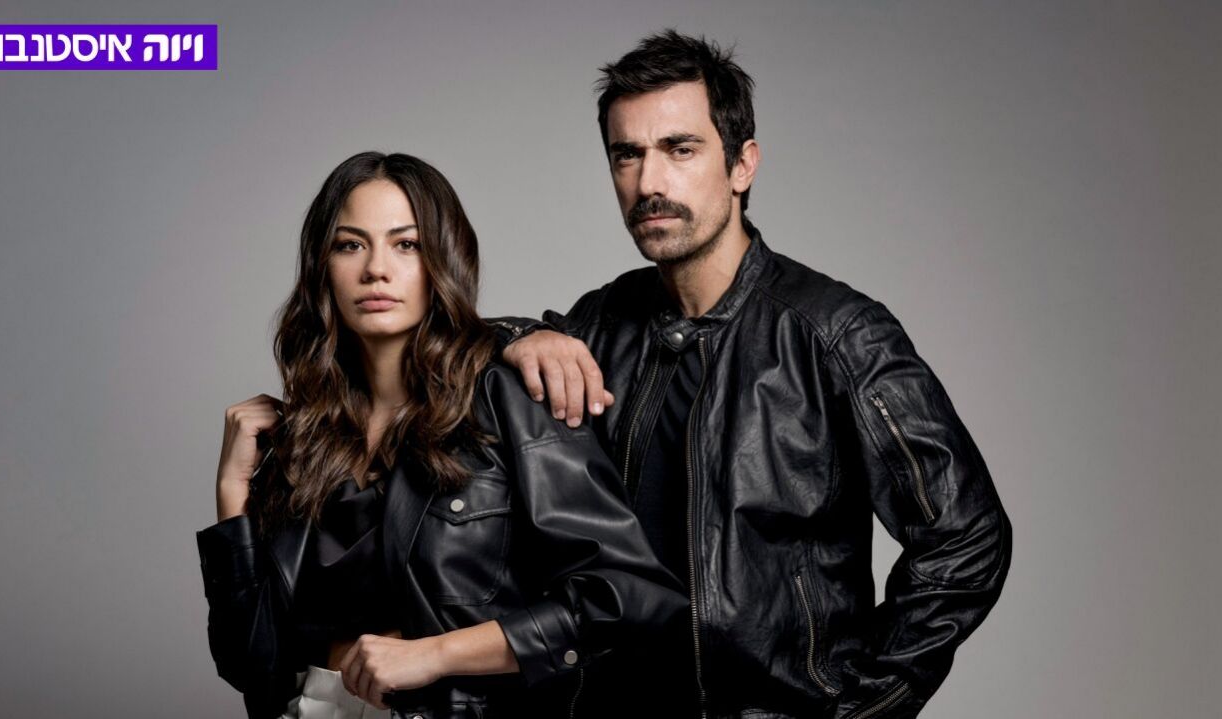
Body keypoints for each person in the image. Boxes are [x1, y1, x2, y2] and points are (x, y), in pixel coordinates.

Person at [489, 30, 1013, 719]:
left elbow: (966, 535)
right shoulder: (599, 323)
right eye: (627, 155)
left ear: (742, 165)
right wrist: (516, 336)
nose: (649, 183)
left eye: (680, 149)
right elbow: (452, 362)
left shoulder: (833, 332)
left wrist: (865, 708)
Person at [196, 151, 686, 719]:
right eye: (350, 245)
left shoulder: (505, 398)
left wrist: (435, 656)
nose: (376, 269)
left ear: (443, 260)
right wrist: (233, 492)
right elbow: (250, 665)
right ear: (321, 266)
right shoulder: (306, 434)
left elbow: (626, 598)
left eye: (406, 244)